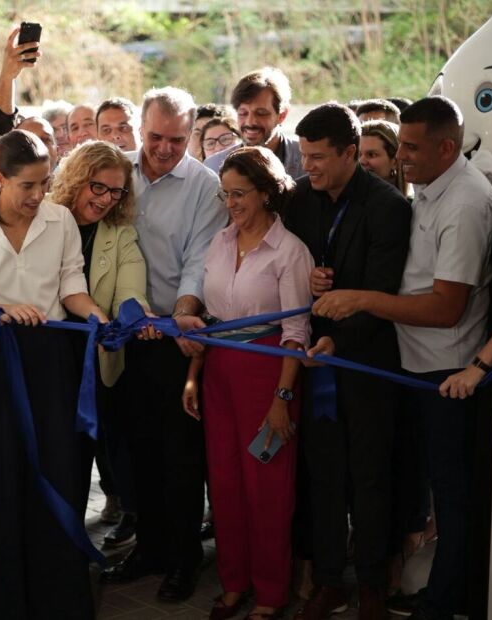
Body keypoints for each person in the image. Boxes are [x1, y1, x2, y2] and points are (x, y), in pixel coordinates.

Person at [312, 96, 492, 620]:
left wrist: (361, 299)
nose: (401, 158)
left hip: (445, 372)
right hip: (411, 362)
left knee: (453, 497)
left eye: (412, 148)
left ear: (447, 147)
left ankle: (443, 606)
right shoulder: (431, 188)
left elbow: (446, 307)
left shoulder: (465, 203)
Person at [0, 130, 107, 619]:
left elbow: (70, 285)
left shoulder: (59, 220)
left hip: (50, 361)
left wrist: (98, 316)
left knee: (55, 475)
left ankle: (58, 600)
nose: (39, 196)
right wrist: (2, 310)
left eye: (45, 183)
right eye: (28, 186)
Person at [182, 146, 323, 620]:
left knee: (267, 488)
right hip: (219, 371)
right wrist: (193, 377)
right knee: (223, 482)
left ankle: (269, 593)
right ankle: (233, 582)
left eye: (239, 194)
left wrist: (283, 398)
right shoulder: (220, 242)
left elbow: (296, 334)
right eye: (225, 195)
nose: (231, 204)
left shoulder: (291, 252)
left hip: (267, 375)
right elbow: (210, 318)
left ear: (266, 193)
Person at [285, 103, 411, 620]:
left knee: (370, 476)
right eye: (304, 156)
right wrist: (309, 278)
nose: (307, 166)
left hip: (368, 363)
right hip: (314, 359)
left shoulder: (388, 207)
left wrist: (343, 339)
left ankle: (374, 585)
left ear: (350, 153)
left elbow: (384, 290)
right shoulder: (297, 201)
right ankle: (330, 581)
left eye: (317, 158)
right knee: (324, 474)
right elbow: (290, 265)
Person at [99, 86, 225, 602]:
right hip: (120, 334)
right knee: (134, 447)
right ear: (139, 128)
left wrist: (179, 316)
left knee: (179, 455)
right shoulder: (117, 172)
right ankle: (148, 547)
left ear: (191, 132)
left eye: (176, 139)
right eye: (154, 136)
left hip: (175, 335)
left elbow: (199, 259)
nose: (164, 148)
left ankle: (182, 559)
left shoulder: (205, 186)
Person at [50, 140, 152, 546]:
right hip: (53, 353)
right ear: (76, 179)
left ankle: (127, 512)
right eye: (98, 188)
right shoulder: (47, 220)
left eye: (116, 191)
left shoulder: (120, 234)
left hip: (99, 353)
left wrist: (132, 316)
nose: (107, 199)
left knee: (111, 441)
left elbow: (132, 289)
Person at [205, 67, 303, 179]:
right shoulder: (213, 168)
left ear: (282, 115)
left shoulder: (307, 162)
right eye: (243, 113)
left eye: (261, 113)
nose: (250, 122)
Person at [360, 120, 410, 197]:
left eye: (371, 154)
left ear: (395, 161)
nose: (361, 161)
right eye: (358, 155)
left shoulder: (414, 205)